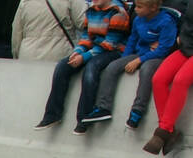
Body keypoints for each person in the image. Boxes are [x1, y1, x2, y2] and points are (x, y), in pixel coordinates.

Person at [33, 0, 129, 134]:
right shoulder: (91, 11)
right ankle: (52, 114)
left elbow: (110, 44)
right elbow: (86, 37)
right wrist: (77, 52)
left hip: (113, 51)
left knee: (91, 68)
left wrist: (84, 57)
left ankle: (84, 117)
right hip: (95, 49)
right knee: (62, 66)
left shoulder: (118, 13)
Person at [87, 0, 177, 127]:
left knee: (146, 69)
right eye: (136, 6)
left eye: (140, 7)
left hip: (158, 56)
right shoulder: (138, 20)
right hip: (141, 53)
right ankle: (103, 107)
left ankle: (138, 110)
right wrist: (124, 59)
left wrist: (138, 60)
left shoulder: (166, 22)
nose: (135, 9)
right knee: (112, 67)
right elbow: (132, 41)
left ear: (153, 8)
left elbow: (163, 49)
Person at [144, 2, 193, 153]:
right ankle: (170, 132)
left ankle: (163, 131)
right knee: (158, 79)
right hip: (187, 46)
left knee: (180, 80)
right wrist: (180, 36)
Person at [11, 0, 86, 60]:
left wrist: (17, 57)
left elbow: (16, 35)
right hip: (58, 56)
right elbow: (86, 23)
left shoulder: (24, 2)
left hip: (28, 57)